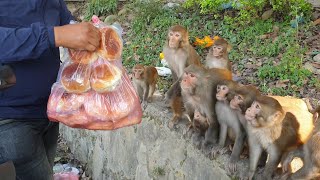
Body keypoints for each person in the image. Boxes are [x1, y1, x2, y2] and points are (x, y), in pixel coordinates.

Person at [0, 0, 101, 179]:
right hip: (11, 119)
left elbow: (64, 21)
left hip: (49, 112)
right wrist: (54, 36)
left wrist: (85, 32)